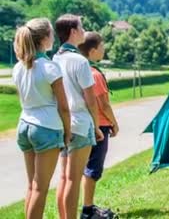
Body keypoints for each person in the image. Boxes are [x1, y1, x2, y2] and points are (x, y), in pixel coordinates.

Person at [12, 18, 71, 219]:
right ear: (45, 38)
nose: (53, 37)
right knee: (41, 188)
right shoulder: (49, 67)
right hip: (46, 127)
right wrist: (68, 132)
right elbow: (64, 106)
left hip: (24, 125)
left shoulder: (19, 67)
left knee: (32, 186)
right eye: (51, 34)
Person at [53, 15, 103, 219]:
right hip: (81, 123)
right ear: (73, 32)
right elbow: (91, 100)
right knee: (74, 179)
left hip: (63, 124)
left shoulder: (55, 58)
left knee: (64, 178)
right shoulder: (80, 61)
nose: (83, 31)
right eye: (81, 27)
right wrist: (98, 127)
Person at [78, 32, 118, 219]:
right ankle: (88, 209)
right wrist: (114, 123)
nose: (104, 49)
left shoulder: (80, 69)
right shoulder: (94, 74)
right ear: (93, 51)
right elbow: (103, 104)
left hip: (84, 125)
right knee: (93, 168)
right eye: (102, 46)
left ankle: (88, 206)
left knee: (86, 167)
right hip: (100, 126)